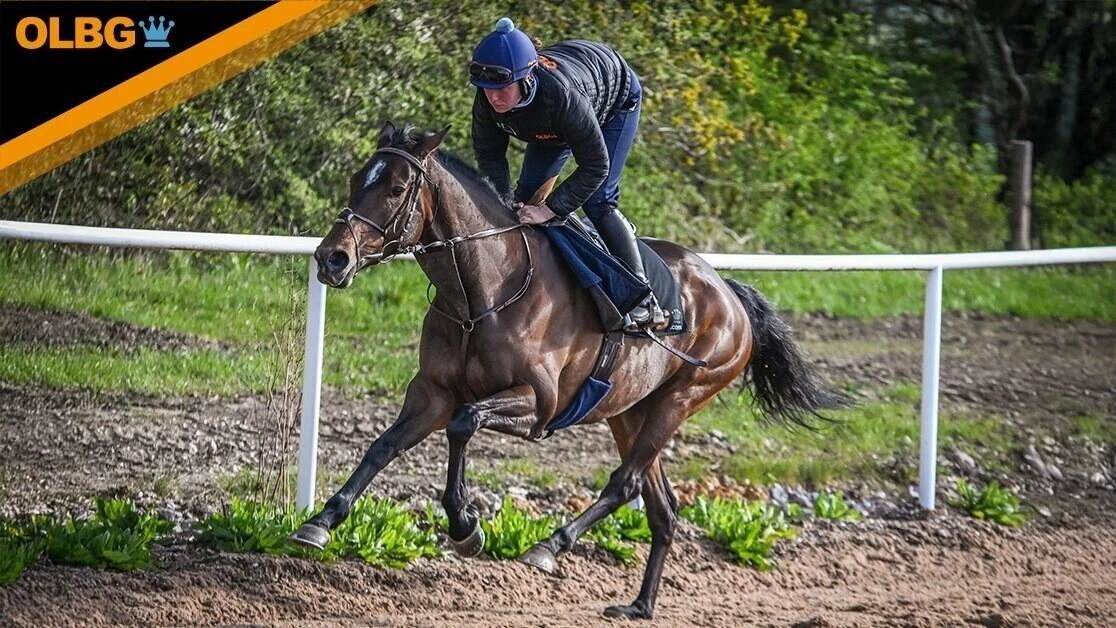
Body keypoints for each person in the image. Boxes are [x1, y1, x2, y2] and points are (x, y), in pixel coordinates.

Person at [469, 17, 663, 328]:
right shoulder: (488, 99)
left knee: (598, 201)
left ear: (525, 78)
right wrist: (503, 201)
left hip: (615, 99)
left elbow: (595, 166)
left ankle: (642, 297)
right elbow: (490, 155)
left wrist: (550, 210)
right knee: (520, 203)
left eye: (502, 88)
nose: (494, 97)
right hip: (551, 126)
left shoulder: (561, 97)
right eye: (487, 89)